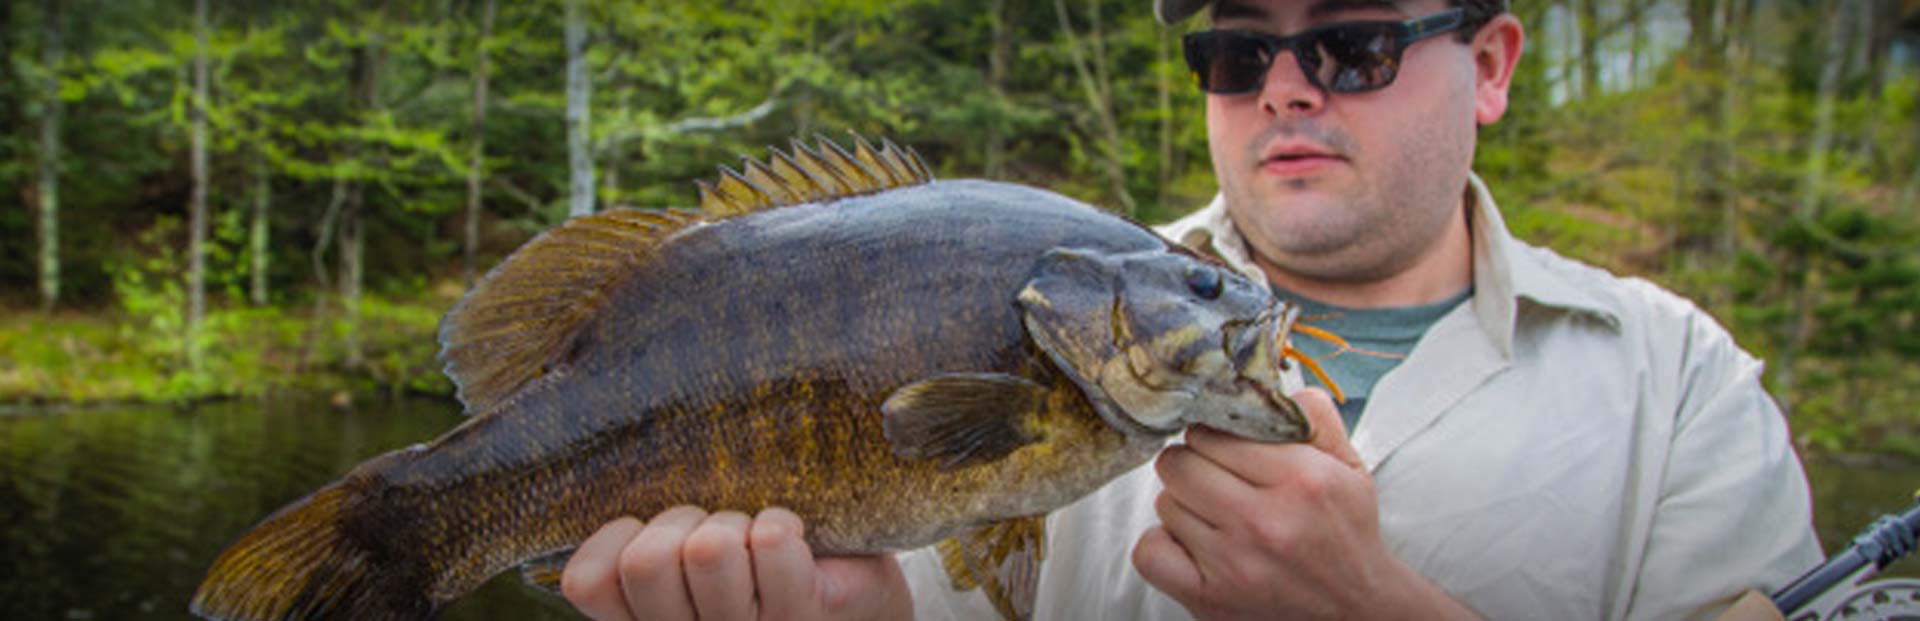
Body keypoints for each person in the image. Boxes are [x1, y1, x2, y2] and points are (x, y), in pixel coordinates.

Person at [557, 0, 1825, 619]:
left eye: (1353, 46)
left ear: (1488, 64)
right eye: (1232, 52)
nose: (1282, 88)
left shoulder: (1681, 384)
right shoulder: (1039, 298)